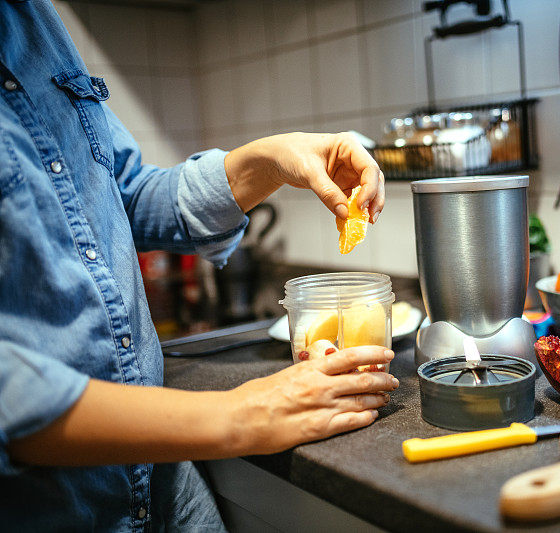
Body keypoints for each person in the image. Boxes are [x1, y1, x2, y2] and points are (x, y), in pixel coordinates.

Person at [0, 1, 396, 530]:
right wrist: (240, 415)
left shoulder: (34, 20)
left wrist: (270, 159)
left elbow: (124, 195)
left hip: (165, 487)